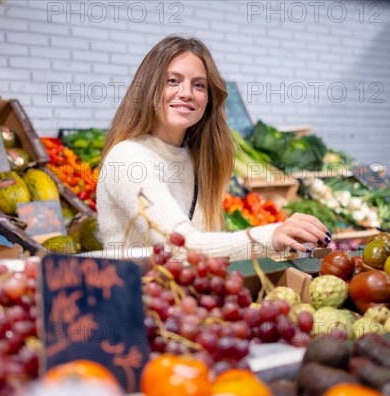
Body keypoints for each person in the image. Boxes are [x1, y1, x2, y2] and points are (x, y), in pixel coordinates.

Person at [96, 36, 331, 261]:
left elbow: (206, 244)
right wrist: (272, 236)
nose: (186, 93)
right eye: (173, 81)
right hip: (140, 298)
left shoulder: (198, 160)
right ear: (149, 88)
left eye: (198, 85)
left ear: (209, 99)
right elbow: (182, 248)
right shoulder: (127, 158)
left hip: (184, 296)